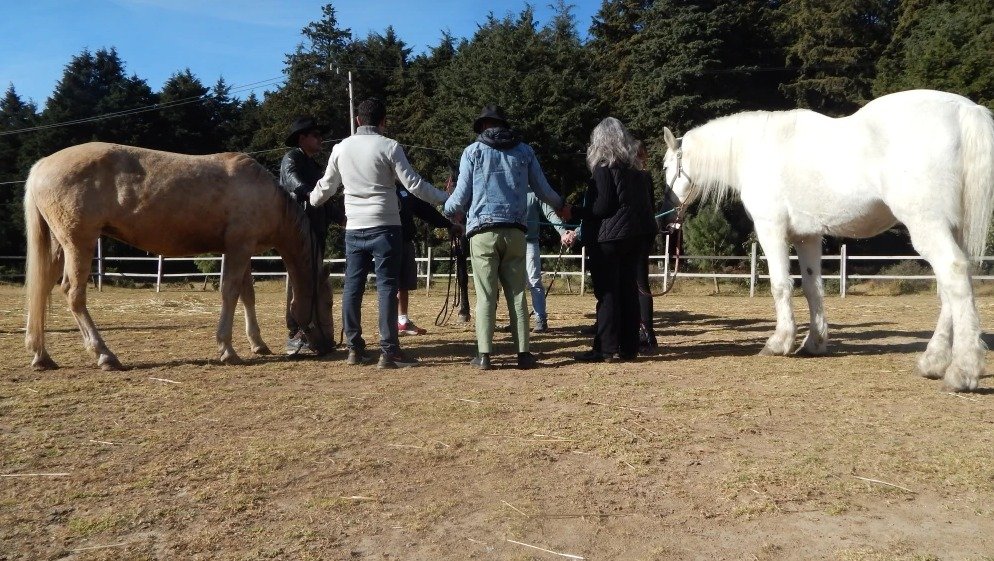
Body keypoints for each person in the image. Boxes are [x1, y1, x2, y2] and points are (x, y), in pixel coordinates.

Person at [310, 98, 449, 369]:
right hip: (386, 226)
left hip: (354, 228)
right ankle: (389, 351)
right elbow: (414, 185)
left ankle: (354, 348)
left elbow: (326, 187)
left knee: (353, 287)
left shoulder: (340, 148)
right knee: (387, 287)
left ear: (358, 121)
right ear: (384, 121)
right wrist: (446, 198)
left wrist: (311, 200)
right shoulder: (389, 146)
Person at [444, 105, 569, 370]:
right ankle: (523, 353)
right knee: (517, 294)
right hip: (516, 232)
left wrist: (446, 208)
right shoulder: (524, 151)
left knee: (486, 295)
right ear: (503, 125)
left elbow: (460, 196)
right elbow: (542, 188)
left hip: (482, 233)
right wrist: (561, 204)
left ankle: (485, 355)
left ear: (482, 127)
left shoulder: (472, 152)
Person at [569, 117, 657, 362]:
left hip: (609, 238)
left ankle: (606, 348)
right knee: (629, 291)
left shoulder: (604, 168)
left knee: (607, 293)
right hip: (636, 237)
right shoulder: (637, 170)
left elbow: (603, 207)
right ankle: (629, 347)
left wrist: (573, 212)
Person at [279, 116, 344, 355]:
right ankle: (295, 333)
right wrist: (310, 194)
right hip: (298, 229)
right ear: (302, 138)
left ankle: (313, 332)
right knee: (299, 282)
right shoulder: (292, 159)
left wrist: (340, 217)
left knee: (313, 283)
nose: (320, 139)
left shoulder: (315, 166)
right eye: (315, 135)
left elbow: (325, 199)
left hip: (316, 230)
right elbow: (292, 181)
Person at [396, 183, 462, 335]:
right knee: (389, 285)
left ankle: (402, 321)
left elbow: (423, 209)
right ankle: (388, 324)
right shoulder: (380, 188)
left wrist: (447, 224)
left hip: (404, 239)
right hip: (387, 240)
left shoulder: (403, 190)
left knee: (403, 284)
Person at [525, 193, 571, 333]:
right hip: (510, 242)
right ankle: (518, 320)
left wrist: (563, 232)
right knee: (514, 285)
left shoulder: (534, 192)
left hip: (530, 242)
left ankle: (540, 319)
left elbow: (550, 213)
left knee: (534, 281)